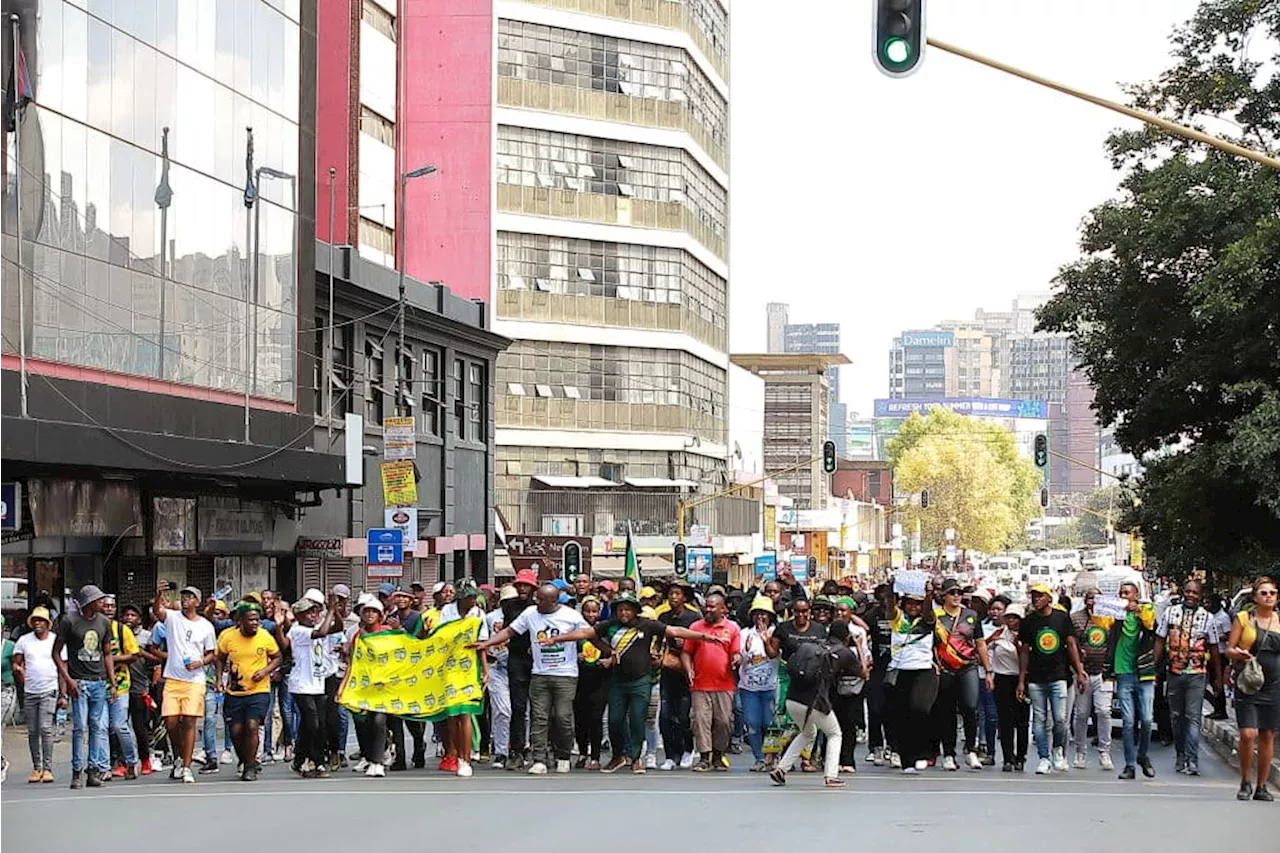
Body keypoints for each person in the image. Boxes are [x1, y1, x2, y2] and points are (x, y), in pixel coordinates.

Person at [473, 583, 592, 775]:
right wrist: (486, 643)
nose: (537, 602)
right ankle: (539, 759)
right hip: (540, 673)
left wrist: (558, 639)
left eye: (541, 600)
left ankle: (563, 755)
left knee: (562, 717)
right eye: (537, 599)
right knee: (539, 717)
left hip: (565, 674)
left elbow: (588, 632)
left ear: (553, 601)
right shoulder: (530, 613)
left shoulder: (569, 615)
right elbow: (510, 631)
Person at [596, 591, 720, 774]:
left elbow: (675, 631)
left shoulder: (646, 624)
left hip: (641, 681)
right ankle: (618, 756)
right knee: (614, 720)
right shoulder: (610, 626)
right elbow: (587, 633)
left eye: (628, 610)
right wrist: (555, 639)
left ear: (635, 611)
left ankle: (636, 758)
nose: (624, 613)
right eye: (621, 609)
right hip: (617, 682)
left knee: (638, 720)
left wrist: (703, 637)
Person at [769, 620, 865, 788]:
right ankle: (831, 776)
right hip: (814, 702)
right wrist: (858, 647)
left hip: (792, 699)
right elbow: (863, 673)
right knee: (835, 733)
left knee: (807, 733)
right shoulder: (843, 652)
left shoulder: (811, 646)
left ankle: (781, 769)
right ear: (847, 637)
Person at [150, 584, 218, 784]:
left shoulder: (205, 625)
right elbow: (157, 611)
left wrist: (201, 662)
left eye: (191, 597)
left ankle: (187, 767)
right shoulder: (172, 618)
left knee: (189, 721)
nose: (186, 599)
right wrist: (158, 595)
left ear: (197, 602)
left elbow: (211, 653)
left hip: (195, 680)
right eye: (184, 596)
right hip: (173, 677)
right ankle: (179, 756)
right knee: (171, 722)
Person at [1017, 583, 1087, 775]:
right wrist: (1022, 679)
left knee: (1060, 719)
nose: (1036, 599)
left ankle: (1058, 750)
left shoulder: (1061, 618)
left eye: (1040, 596)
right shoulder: (1028, 622)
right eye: (1033, 596)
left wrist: (1079, 671)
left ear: (1049, 598)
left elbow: (1071, 645)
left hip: (1059, 676)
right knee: (1039, 720)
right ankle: (1043, 757)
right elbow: (1024, 651)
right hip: (1036, 678)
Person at [1155, 578, 1220, 776]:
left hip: (1197, 675)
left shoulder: (1208, 618)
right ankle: (1180, 755)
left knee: (1193, 717)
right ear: (1183, 592)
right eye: (1188, 591)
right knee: (1176, 716)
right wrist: (1153, 668)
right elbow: (1159, 640)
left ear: (1200, 596)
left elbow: (1214, 648)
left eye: (1195, 593)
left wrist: (1218, 678)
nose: (1191, 595)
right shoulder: (1170, 613)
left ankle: (1193, 759)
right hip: (1174, 673)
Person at [55, 585, 117, 789]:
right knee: (79, 727)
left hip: (98, 680)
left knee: (96, 726)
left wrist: (112, 682)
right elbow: (56, 653)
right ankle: (76, 772)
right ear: (89, 602)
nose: (103, 604)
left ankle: (93, 770)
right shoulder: (69, 621)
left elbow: (107, 653)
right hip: (79, 681)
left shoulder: (104, 623)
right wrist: (68, 680)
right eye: (99, 600)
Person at [275, 593, 340, 778]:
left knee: (318, 724)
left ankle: (315, 760)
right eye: (309, 613)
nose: (313, 616)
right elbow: (321, 633)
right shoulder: (298, 630)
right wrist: (332, 610)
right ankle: (302, 758)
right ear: (299, 616)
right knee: (311, 721)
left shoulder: (319, 625)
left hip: (318, 682)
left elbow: (338, 628)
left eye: (315, 612)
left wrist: (334, 612)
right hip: (301, 684)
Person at [1226, 576, 1279, 802]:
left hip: (1275, 685)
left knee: (1268, 735)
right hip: (1248, 682)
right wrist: (1239, 654)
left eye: (1272, 593)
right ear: (1255, 597)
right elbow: (1229, 649)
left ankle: (1262, 786)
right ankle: (1245, 781)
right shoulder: (1244, 619)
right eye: (1263, 593)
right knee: (1249, 734)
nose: (1268, 597)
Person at [931, 578, 992, 771]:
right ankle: (948, 753)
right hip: (945, 668)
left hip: (968, 666)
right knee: (946, 711)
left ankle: (971, 750)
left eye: (958, 593)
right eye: (952, 593)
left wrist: (988, 670)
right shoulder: (936, 616)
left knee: (970, 706)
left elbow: (980, 643)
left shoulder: (971, 615)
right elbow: (930, 643)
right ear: (944, 596)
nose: (956, 596)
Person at [215, 602, 281, 781]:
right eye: (251, 620)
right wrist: (219, 679)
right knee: (236, 731)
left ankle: (250, 767)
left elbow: (277, 657)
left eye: (257, 620)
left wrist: (266, 671)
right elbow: (220, 658)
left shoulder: (265, 636)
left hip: (259, 690)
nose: (255, 623)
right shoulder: (227, 637)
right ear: (240, 620)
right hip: (235, 692)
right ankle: (245, 760)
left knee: (252, 725)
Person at [432, 579, 490, 777]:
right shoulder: (447, 611)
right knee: (452, 714)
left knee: (465, 713)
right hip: (449, 666)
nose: (473, 600)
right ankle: (454, 753)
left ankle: (466, 758)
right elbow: (441, 636)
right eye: (469, 597)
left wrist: (485, 670)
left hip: (469, 666)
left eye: (474, 597)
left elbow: (482, 645)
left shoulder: (479, 614)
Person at [681, 592, 741, 772]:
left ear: (722, 609)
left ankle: (718, 755)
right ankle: (704, 757)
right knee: (701, 721)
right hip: (700, 684)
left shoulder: (732, 628)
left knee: (723, 721)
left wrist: (736, 658)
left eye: (711, 606)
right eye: (706, 606)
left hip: (724, 684)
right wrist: (688, 669)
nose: (707, 609)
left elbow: (736, 652)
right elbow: (686, 652)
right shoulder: (695, 627)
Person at [886, 585, 938, 774]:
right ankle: (906, 759)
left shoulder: (928, 620)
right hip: (901, 671)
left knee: (920, 710)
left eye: (917, 603)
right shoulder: (897, 619)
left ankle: (921, 752)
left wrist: (928, 594)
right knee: (903, 715)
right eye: (910, 603)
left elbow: (928, 611)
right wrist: (891, 589)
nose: (914, 607)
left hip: (924, 671)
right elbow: (890, 606)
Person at [342, 595, 391, 777]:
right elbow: (352, 663)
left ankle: (378, 762)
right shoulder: (357, 636)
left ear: (380, 615)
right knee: (366, 723)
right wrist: (343, 687)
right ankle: (371, 757)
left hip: (384, 686)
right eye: (367, 611)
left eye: (374, 611)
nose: (370, 614)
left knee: (379, 720)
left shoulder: (387, 632)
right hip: (364, 686)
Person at [12, 606, 60, 783]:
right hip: (30, 691)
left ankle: (47, 768)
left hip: (49, 689)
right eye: (35, 621)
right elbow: (16, 663)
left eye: (41, 620)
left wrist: (64, 693)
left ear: (48, 623)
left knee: (46, 728)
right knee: (33, 731)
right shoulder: (24, 641)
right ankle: (36, 767)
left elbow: (62, 666)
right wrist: (21, 672)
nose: (38, 623)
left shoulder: (55, 641)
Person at [98, 595, 142, 780]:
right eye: (105, 605)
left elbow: (134, 654)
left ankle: (131, 761)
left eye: (112, 606)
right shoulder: (93, 628)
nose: (108, 609)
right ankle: (103, 766)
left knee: (118, 725)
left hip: (121, 684)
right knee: (100, 727)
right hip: (98, 685)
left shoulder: (122, 630)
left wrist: (112, 659)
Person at [657, 580, 699, 770]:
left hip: (686, 671)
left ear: (685, 597)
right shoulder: (663, 616)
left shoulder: (694, 618)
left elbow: (700, 643)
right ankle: (670, 755)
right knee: (666, 715)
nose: (674, 597)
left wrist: (687, 644)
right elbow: (658, 640)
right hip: (667, 670)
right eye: (671, 593)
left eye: (678, 594)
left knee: (684, 715)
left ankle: (687, 750)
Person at [501, 569, 538, 770]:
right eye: (520, 585)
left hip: (537, 660)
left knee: (540, 709)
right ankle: (516, 750)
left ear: (533, 588)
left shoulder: (539, 607)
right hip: (516, 659)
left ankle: (540, 749)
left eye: (527, 585)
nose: (523, 588)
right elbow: (508, 631)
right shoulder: (510, 607)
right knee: (518, 708)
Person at [738, 595, 781, 772]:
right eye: (757, 614)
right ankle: (760, 758)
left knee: (770, 723)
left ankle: (774, 757)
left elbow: (777, 655)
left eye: (764, 614)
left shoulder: (777, 632)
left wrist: (766, 641)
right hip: (749, 687)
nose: (761, 617)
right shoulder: (744, 634)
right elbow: (739, 659)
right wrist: (746, 651)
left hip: (771, 687)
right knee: (752, 723)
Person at [572, 596, 610, 770]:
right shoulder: (576, 631)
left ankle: (595, 756)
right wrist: (576, 657)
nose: (591, 614)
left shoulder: (604, 630)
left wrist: (606, 661)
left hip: (600, 681)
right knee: (580, 720)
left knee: (596, 719)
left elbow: (611, 651)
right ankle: (582, 752)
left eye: (594, 611)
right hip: (579, 681)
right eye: (587, 610)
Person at [989, 603, 1028, 771]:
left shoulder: (1026, 635)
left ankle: (1021, 757)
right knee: (1005, 720)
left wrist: (1018, 642)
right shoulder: (999, 634)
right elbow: (981, 646)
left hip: (1022, 678)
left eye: (1015, 618)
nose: (1012, 621)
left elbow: (1026, 656)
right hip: (1002, 678)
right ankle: (1007, 757)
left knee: (1022, 721)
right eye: (1009, 617)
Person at [486, 585, 517, 769]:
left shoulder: (523, 616)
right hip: (496, 667)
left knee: (523, 712)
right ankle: (500, 751)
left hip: (518, 667)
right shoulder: (491, 618)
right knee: (502, 711)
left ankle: (520, 747)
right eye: (506, 602)